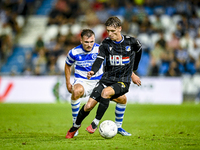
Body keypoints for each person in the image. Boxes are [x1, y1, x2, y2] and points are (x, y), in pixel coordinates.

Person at [66, 16, 142, 139]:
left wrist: (133, 71)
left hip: (122, 81)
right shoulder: (106, 43)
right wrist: (93, 71)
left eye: (113, 31)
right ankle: (74, 127)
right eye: (108, 31)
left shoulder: (131, 42)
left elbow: (139, 50)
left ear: (120, 28)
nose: (110, 34)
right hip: (106, 78)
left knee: (107, 93)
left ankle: (95, 123)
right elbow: (99, 59)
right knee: (88, 106)